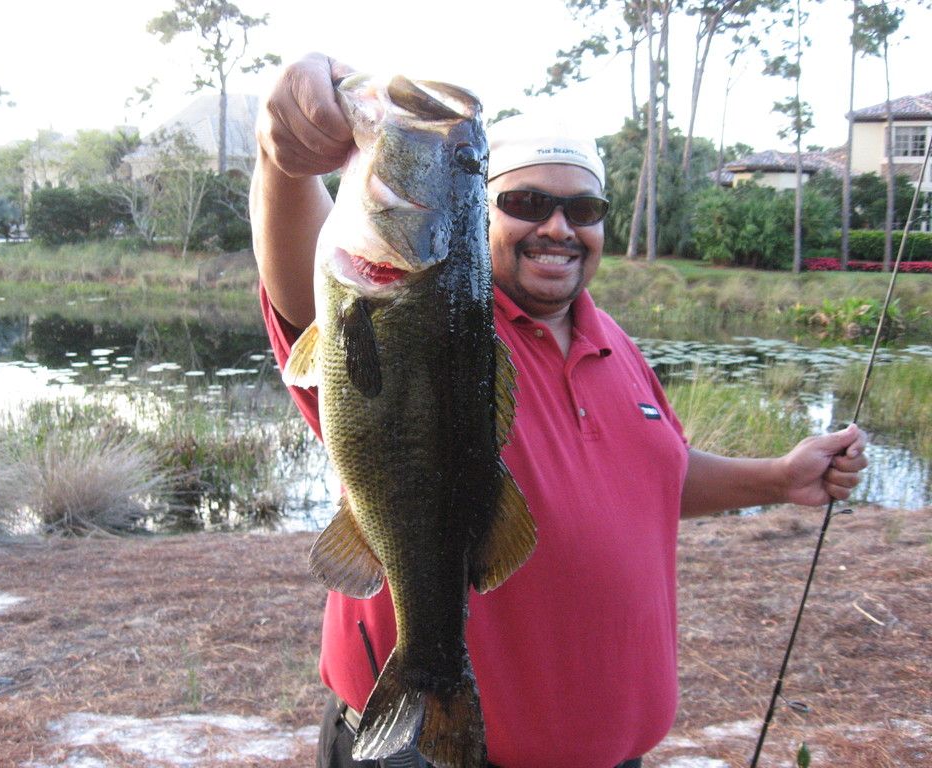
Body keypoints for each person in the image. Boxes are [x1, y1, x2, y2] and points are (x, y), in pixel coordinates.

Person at [249, 53, 869, 768]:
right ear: (479, 213)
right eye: (526, 203)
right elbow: (302, 278)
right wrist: (281, 163)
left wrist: (780, 477)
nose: (558, 227)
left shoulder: (617, 348)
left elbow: (647, 479)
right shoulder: (433, 331)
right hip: (420, 748)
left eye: (584, 209)